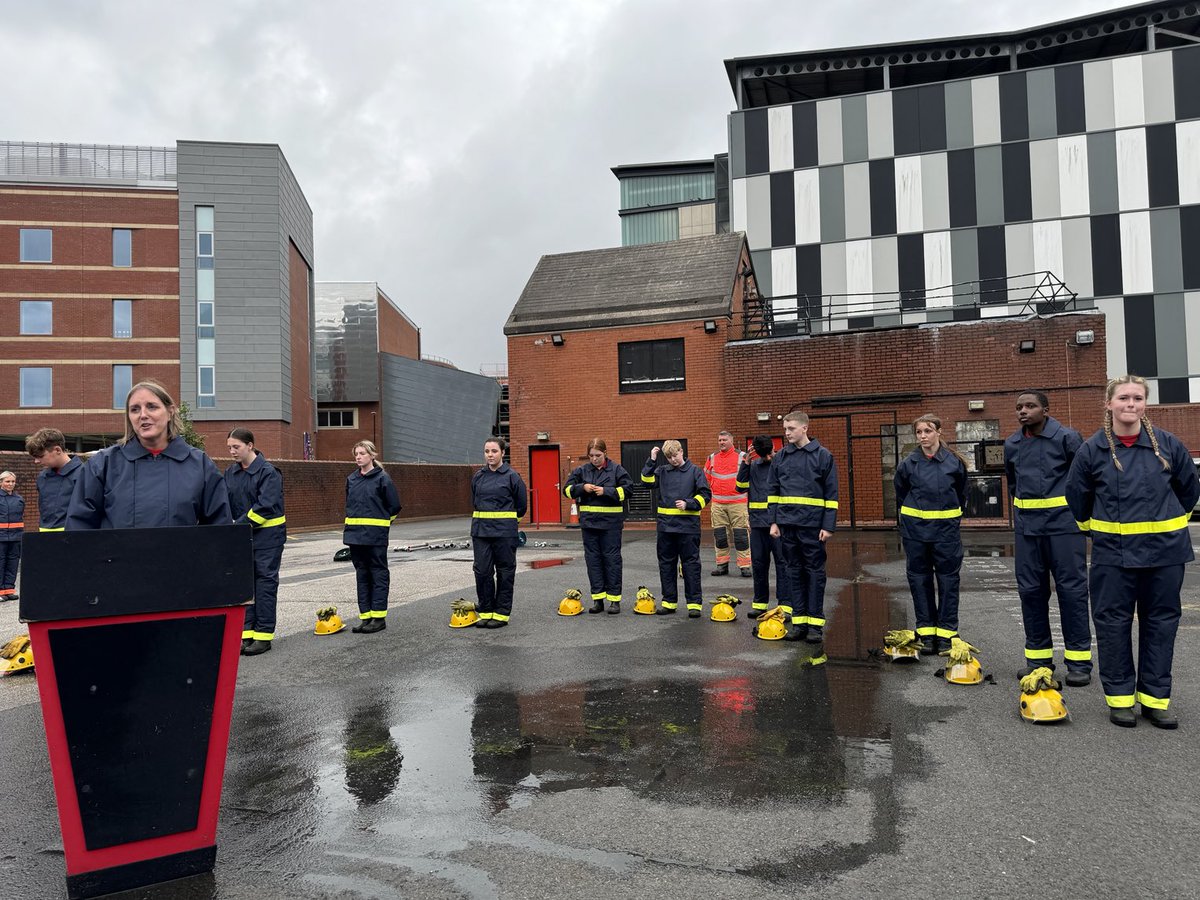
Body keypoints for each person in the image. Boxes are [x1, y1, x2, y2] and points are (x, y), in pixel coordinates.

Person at [1066, 375, 1199, 729]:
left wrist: (1168, 523)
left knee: (1161, 625)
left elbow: (1189, 490)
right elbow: (1078, 498)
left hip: (1165, 556)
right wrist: (1098, 530)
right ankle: (1121, 700)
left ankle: (1156, 701)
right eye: (1123, 397)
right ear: (1109, 404)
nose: (1131, 404)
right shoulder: (1092, 451)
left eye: (1137, 398)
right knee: (1113, 625)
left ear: (1144, 404)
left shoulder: (1168, 445)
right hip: (1113, 556)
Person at [1003, 391, 1091, 685]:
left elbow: (1083, 480)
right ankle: (1038, 661)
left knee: (1072, 592)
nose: (1023, 411)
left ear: (1046, 410)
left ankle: (1079, 663)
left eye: (1030, 406)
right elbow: (1013, 485)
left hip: (1064, 528)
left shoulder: (1067, 438)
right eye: (1019, 407)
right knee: (1030, 592)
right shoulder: (1012, 444)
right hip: (1027, 531)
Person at [67, 381, 230, 529]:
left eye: (152, 407)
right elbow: (79, 527)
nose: (143, 415)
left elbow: (220, 530)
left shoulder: (200, 465)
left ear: (170, 412)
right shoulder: (102, 465)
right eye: (135, 409)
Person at [894, 414, 967, 654]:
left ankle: (946, 634)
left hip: (946, 533)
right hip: (915, 533)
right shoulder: (908, 464)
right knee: (919, 579)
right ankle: (926, 632)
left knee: (948, 580)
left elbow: (962, 494)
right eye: (919, 432)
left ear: (938, 432)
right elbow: (901, 493)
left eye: (928, 431)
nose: (923, 436)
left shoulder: (954, 463)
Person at [768, 412, 838, 643]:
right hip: (788, 525)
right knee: (793, 572)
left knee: (815, 573)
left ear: (805, 428)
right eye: (785, 429)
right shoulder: (781, 457)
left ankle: (815, 625)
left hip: (813, 526)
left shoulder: (823, 456)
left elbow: (831, 494)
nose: (787, 433)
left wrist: (828, 525)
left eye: (791, 428)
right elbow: (773, 491)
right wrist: (773, 521)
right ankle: (799, 623)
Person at [225, 428, 287, 656]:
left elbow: (266, 506)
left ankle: (263, 636)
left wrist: (238, 525)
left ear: (250, 445)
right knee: (246, 586)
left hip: (268, 539)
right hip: (244, 538)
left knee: (265, 585)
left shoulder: (269, 473)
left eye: (236, 447)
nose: (232, 451)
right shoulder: (231, 473)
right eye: (229, 447)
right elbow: (225, 502)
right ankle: (247, 634)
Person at [641, 440, 711, 617]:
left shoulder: (695, 471)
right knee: (666, 565)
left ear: (681, 451)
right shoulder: (662, 471)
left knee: (691, 566)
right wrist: (651, 460)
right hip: (666, 528)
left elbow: (705, 494)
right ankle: (669, 603)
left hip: (688, 528)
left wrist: (689, 503)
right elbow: (646, 482)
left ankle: (694, 604)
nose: (673, 459)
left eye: (675, 455)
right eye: (669, 457)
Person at [563, 438, 633, 613]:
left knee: (612, 561)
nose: (594, 459)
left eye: (598, 455)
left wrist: (606, 491)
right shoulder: (582, 470)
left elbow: (629, 490)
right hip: (590, 525)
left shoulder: (616, 470)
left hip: (611, 525)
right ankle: (598, 600)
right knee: (593, 561)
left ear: (605, 453)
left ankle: (614, 601)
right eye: (591, 456)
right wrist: (582, 487)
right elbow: (567, 490)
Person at [343, 440, 401, 634]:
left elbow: (394, 507)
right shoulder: (351, 479)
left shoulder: (382, 479)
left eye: (362, 453)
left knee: (378, 575)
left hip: (375, 538)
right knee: (362, 575)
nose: (358, 457)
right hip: (355, 537)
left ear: (372, 455)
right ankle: (366, 617)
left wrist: (382, 525)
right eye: (356, 454)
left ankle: (378, 618)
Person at [471, 437, 527, 629]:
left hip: (504, 534)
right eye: (487, 451)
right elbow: (475, 501)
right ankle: (486, 612)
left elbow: (521, 506)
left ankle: (501, 614)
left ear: (503, 453)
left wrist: (508, 524)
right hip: (481, 533)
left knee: (505, 572)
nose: (490, 455)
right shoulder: (478, 477)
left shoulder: (512, 477)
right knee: (482, 572)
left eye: (494, 451)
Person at [737, 435, 792, 620]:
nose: (768, 457)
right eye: (765, 455)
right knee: (759, 565)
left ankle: (785, 606)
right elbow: (740, 487)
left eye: (769, 453)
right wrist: (745, 464)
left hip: (779, 524)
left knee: (783, 564)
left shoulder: (782, 463)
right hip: (758, 525)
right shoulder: (752, 466)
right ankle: (760, 604)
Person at [704, 430, 751, 577]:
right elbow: (706, 479)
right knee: (720, 536)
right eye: (719, 440)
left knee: (741, 536)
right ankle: (722, 565)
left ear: (731, 440)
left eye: (724, 440)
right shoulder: (712, 458)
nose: (721, 442)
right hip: (718, 504)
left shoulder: (743, 456)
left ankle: (745, 566)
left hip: (738, 502)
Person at [25, 428, 83, 532]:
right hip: (45, 538)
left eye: (40, 456)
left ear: (57, 450)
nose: (36, 461)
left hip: (74, 538)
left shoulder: (84, 474)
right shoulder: (42, 477)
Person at [0, 472, 23, 602]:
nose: (10, 484)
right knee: (1, 563)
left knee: (12, 564)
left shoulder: (19, 499)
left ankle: (8, 590)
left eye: (13, 481)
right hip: (1, 537)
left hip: (15, 537)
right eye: (7, 481)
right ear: (1, 482)